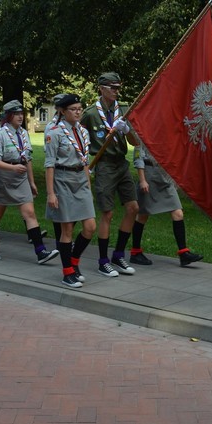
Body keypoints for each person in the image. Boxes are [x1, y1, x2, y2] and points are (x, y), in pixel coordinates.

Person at [0, 99, 58, 263]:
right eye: (16, 114)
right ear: (9, 116)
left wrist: (31, 182)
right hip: (3, 178)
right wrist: (13, 168)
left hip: (20, 178)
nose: (20, 117)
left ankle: (40, 252)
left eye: (21, 113)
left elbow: (28, 159)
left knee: (30, 213)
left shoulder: (24, 134)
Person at [80, 72, 139, 277]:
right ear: (101, 89)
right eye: (112, 87)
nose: (116, 91)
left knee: (133, 207)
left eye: (118, 87)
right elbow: (79, 139)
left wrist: (126, 130)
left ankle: (119, 255)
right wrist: (86, 163)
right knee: (108, 213)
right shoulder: (90, 114)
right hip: (103, 165)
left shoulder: (124, 110)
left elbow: (135, 142)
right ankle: (103, 260)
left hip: (121, 163)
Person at [46, 94, 97, 288]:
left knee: (90, 226)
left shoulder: (83, 132)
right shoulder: (54, 132)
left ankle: (74, 261)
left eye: (79, 109)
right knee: (67, 229)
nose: (77, 112)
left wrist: (88, 186)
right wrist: (51, 193)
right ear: (62, 111)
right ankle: (67, 272)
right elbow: (50, 164)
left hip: (80, 180)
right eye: (73, 109)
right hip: (63, 180)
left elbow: (85, 160)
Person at [129, 141, 203, 267]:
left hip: (164, 175)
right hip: (149, 175)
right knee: (143, 215)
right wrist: (142, 180)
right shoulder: (142, 128)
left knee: (178, 212)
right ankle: (135, 252)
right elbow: (138, 155)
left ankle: (184, 253)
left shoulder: (164, 130)